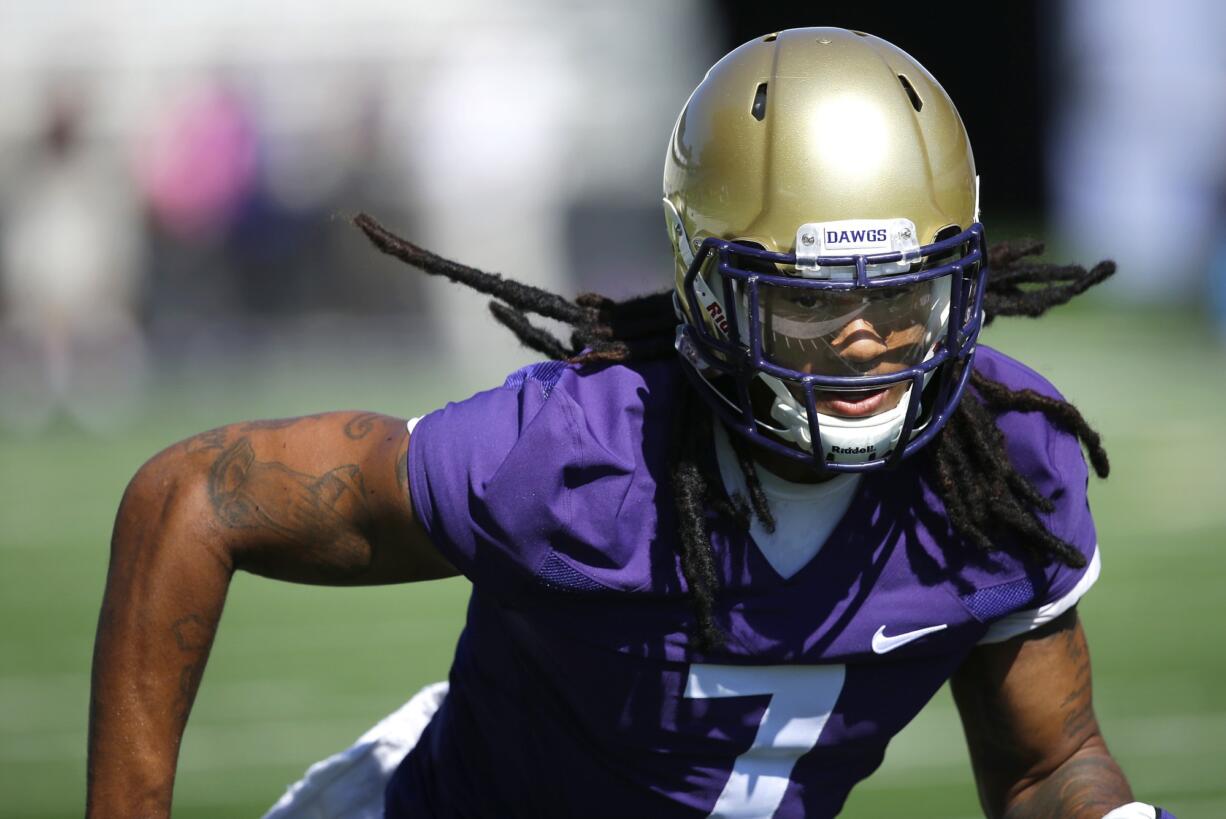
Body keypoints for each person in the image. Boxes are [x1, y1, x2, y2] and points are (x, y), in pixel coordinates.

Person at [87, 28, 1176, 819]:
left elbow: (1045, 765)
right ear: (706, 288)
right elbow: (194, 499)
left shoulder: (1002, 462)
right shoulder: (577, 459)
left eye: (899, 294)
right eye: (805, 297)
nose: (860, 339)